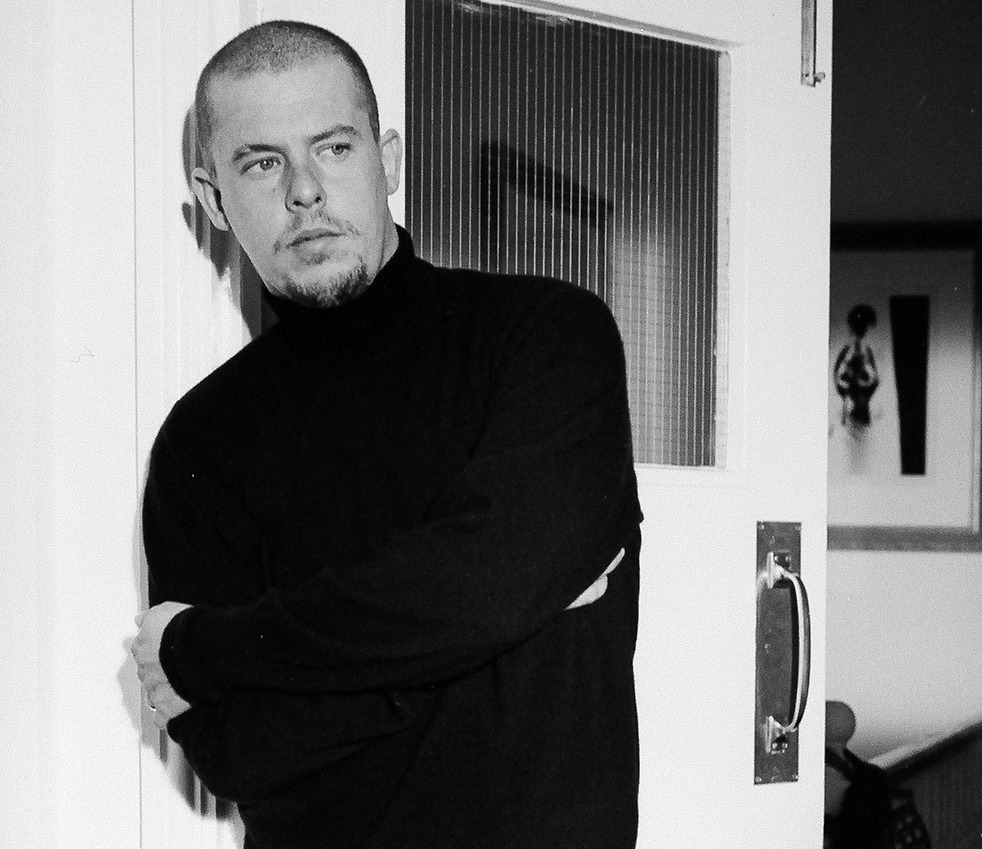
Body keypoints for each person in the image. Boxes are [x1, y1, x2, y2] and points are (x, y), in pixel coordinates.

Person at [128, 20, 642, 849]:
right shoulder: (201, 440)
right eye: (262, 163)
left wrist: (207, 648)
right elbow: (237, 750)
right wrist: (487, 636)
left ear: (389, 160)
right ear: (215, 198)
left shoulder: (546, 337)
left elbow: (489, 589)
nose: (305, 190)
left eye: (333, 147)